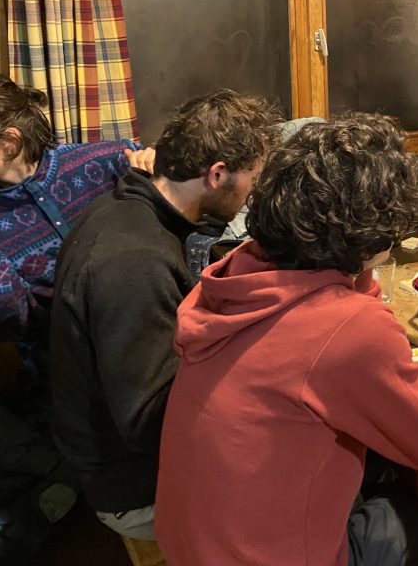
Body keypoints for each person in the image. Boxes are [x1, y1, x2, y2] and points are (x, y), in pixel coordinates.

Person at [155, 114, 418, 566]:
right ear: (374, 236)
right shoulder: (345, 329)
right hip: (275, 558)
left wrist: (357, 262)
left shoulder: (235, 273)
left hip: (192, 545)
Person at [50, 90, 281, 540]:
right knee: (310, 467)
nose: (250, 195)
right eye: (251, 179)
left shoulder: (127, 212)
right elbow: (148, 420)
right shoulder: (134, 261)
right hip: (135, 489)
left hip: (127, 460)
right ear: (217, 174)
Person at [0, 74, 147, 376]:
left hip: (147, 343)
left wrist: (155, 167)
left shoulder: (107, 161)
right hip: (65, 376)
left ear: (9, 142)